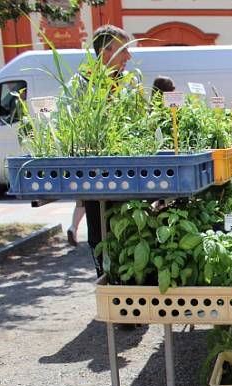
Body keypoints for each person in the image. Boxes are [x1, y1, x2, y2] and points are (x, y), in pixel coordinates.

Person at [80, 24, 135, 277]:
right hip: (96, 174)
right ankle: (105, 280)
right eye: (124, 50)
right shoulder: (83, 83)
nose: (129, 56)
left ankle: (128, 288)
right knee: (100, 232)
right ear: (106, 52)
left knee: (129, 232)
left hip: (129, 174)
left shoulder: (128, 84)